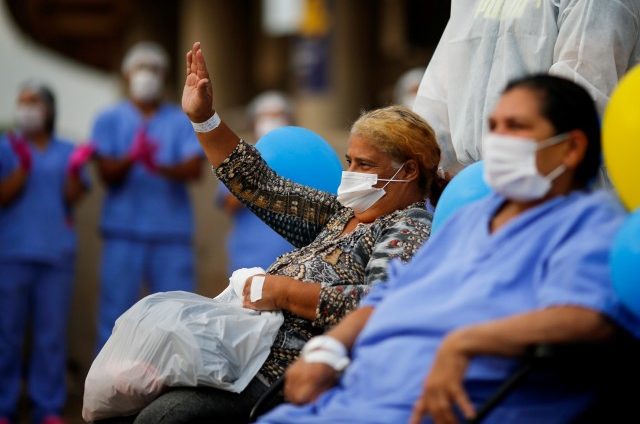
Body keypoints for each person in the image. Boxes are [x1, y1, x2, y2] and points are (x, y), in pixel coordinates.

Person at [90, 41, 449, 424]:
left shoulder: (408, 225)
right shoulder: (343, 213)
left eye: (365, 164)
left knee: (163, 418)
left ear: (409, 171)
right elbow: (264, 186)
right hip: (244, 354)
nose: (352, 173)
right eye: (350, 161)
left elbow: (383, 305)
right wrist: (205, 119)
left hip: (285, 373)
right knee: (120, 400)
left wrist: (284, 292)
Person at [257, 75, 640, 424]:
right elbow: (388, 295)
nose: (499, 140)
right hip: (357, 393)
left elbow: (587, 318)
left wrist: (466, 341)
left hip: (439, 406)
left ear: (571, 148)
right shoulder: (470, 218)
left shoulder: (588, 224)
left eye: (517, 127)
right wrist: (328, 349)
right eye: (495, 127)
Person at [414, 0, 640, 176]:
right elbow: (442, 82)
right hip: (470, 184)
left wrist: (523, 158)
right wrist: (425, 159)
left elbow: (581, 87)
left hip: (557, 177)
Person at [90, 41, 206, 353]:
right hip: (122, 232)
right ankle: (108, 388)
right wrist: (132, 158)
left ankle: (175, 391)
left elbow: (194, 169)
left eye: (154, 69)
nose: (147, 75)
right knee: (114, 313)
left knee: (178, 314)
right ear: (127, 75)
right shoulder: (109, 119)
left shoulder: (180, 118)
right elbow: (106, 174)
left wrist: (156, 165)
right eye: (140, 69)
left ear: (165, 75)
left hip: (171, 234)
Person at [0, 81, 92, 424]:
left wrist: (73, 171)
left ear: (49, 109)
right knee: (6, 335)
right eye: (21, 102)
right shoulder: (5, 147)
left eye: (34, 102)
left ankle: (47, 406)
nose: (26, 108)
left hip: (55, 255)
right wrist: (22, 168)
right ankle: (3, 406)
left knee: (50, 336)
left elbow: (72, 197)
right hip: (11, 253)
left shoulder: (67, 149)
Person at [214, 90, 298, 274]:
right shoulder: (238, 159)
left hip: (296, 259)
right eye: (265, 116)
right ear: (253, 123)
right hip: (251, 258)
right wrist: (262, 167)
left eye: (278, 116)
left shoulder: (302, 157)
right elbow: (229, 203)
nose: (272, 121)